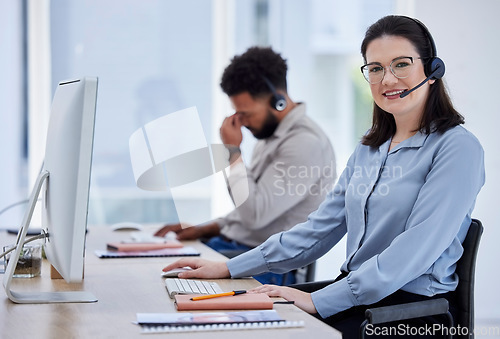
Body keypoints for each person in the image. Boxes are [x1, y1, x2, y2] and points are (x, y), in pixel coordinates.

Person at [162, 15, 485, 338]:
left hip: (414, 313)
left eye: (401, 64)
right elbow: (318, 230)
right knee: (242, 319)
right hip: (358, 296)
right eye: (375, 68)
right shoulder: (369, 149)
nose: (387, 80)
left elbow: (412, 253)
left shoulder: (457, 149)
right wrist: (228, 268)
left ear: (431, 70)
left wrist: (318, 300)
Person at [156, 46, 337, 285]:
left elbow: (255, 216)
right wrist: (205, 229)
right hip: (236, 251)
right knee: (156, 266)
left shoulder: (304, 143)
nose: (241, 122)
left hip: (265, 266)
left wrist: (233, 152)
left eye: (246, 113)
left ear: (279, 101)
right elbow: (249, 211)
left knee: (164, 280)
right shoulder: (271, 136)